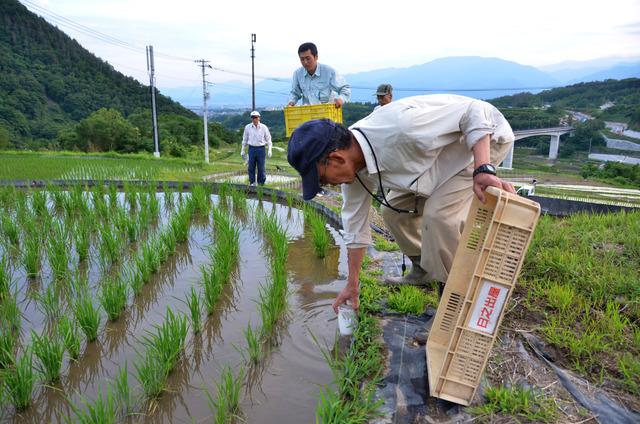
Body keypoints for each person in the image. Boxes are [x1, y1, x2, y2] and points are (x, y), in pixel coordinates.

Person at [286, 94, 515, 313]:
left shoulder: (404, 129)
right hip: (434, 164)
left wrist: (483, 167)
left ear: (336, 158)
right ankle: (424, 271)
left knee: (439, 216)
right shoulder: (354, 169)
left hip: (481, 142)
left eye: (323, 178)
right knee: (392, 211)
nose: (329, 185)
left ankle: (455, 300)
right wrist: (352, 284)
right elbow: (355, 226)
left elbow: (475, 111)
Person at [287, 42, 351, 108]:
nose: (305, 62)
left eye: (308, 58)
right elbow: (295, 93)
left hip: (328, 112)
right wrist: (291, 102)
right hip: (308, 114)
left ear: (316, 57)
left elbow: (345, 88)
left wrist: (341, 99)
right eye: (302, 59)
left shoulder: (328, 72)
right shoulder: (297, 74)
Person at [241, 111, 272, 186]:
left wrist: (270, 149)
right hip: (251, 149)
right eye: (252, 117)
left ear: (259, 118)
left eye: (256, 117)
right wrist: (242, 149)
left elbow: (268, 139)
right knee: (251, 166)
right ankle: (252, 182)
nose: (254, 119)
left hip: (261, 149)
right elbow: (244, 139)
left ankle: (261, 183)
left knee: (261, 167)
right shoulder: (247, 127)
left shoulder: (264, 127)